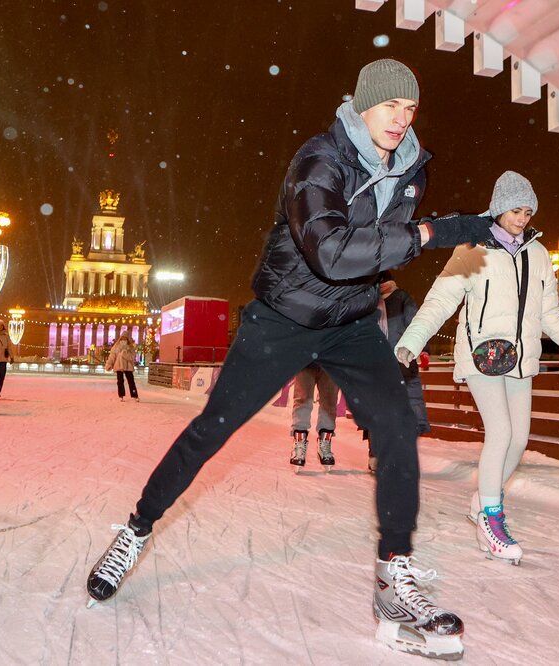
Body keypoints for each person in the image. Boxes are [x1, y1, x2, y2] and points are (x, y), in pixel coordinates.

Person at [85, 58, 493, 660]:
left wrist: (413, 249)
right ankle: (133, 531)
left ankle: (394, 579)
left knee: (397, 425)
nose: (401, 122)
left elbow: (376, 256)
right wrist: (433, 234)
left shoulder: (410, 173)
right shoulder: (318, 161)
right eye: (389, 108)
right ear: (361, 106)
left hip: (351, 323)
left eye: (410, 111)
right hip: (285, 318)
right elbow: (330, 251)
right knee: (210, 430)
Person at [395, 171, 559, 566]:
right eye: (516, 210)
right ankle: (492, 518)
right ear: (499, 208)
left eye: (528, 211)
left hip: (521, 360)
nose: (522, 218)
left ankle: (482, 501)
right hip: (483, 356)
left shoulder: (538, 254)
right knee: (499, 433)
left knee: (518, 441)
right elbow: (439, 302)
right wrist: (410, 343)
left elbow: (549, 312)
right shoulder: (472, 248)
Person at [364, 271, 431, 473]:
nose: (381, 287)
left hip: (403, 363)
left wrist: (424, 349)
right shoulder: (368, 304)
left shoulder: (402, 298)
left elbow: (417, 324)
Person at [289, 363, 339, 471]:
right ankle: (299, 444)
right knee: (303, 398)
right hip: (306, 357)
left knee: (329, 401)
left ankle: (325, 443)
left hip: (331, 358)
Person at [105, 334, 140, 402]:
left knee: (131, 381)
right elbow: (112, 357)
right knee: (120, 382)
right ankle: (121, 395)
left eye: (125, 339)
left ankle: (134, 395)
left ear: (127, 340)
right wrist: (109, 364)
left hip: (128, 366)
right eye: (122, 339)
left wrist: (124, 354)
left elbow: (132, 357)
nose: (123, 340)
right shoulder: (116, 347)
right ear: (120, 339)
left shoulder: (130, 348)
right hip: (119, 366)